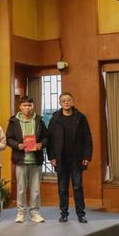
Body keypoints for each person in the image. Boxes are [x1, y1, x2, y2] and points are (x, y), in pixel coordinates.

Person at [47, 92, 93, 223]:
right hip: (60, 159)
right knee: (62, 188)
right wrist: (51, 156)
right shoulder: (55, 119)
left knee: (77, 187)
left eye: (68, 100)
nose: (66, 102)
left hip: (77, 158)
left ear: (72, 102)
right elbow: (50, 140)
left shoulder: (80, 117)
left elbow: (87, 138)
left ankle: (81, 214)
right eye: (63, 101)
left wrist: (87, 156)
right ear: (60, 103)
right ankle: (64, 214)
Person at [6, 96, 48, 224]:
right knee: (21, 189)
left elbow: (46, 137)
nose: (27, 108)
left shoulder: (39, 120)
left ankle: (35, 213)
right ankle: (21, 213)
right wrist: (17, 145)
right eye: (24, 105)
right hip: (21, 160)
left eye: (29, 105)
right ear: (20, 107)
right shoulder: (14, 121)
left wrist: (42, 144)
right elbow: (9, 138)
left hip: (35, 160)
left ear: (33, 106)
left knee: (35, 189)